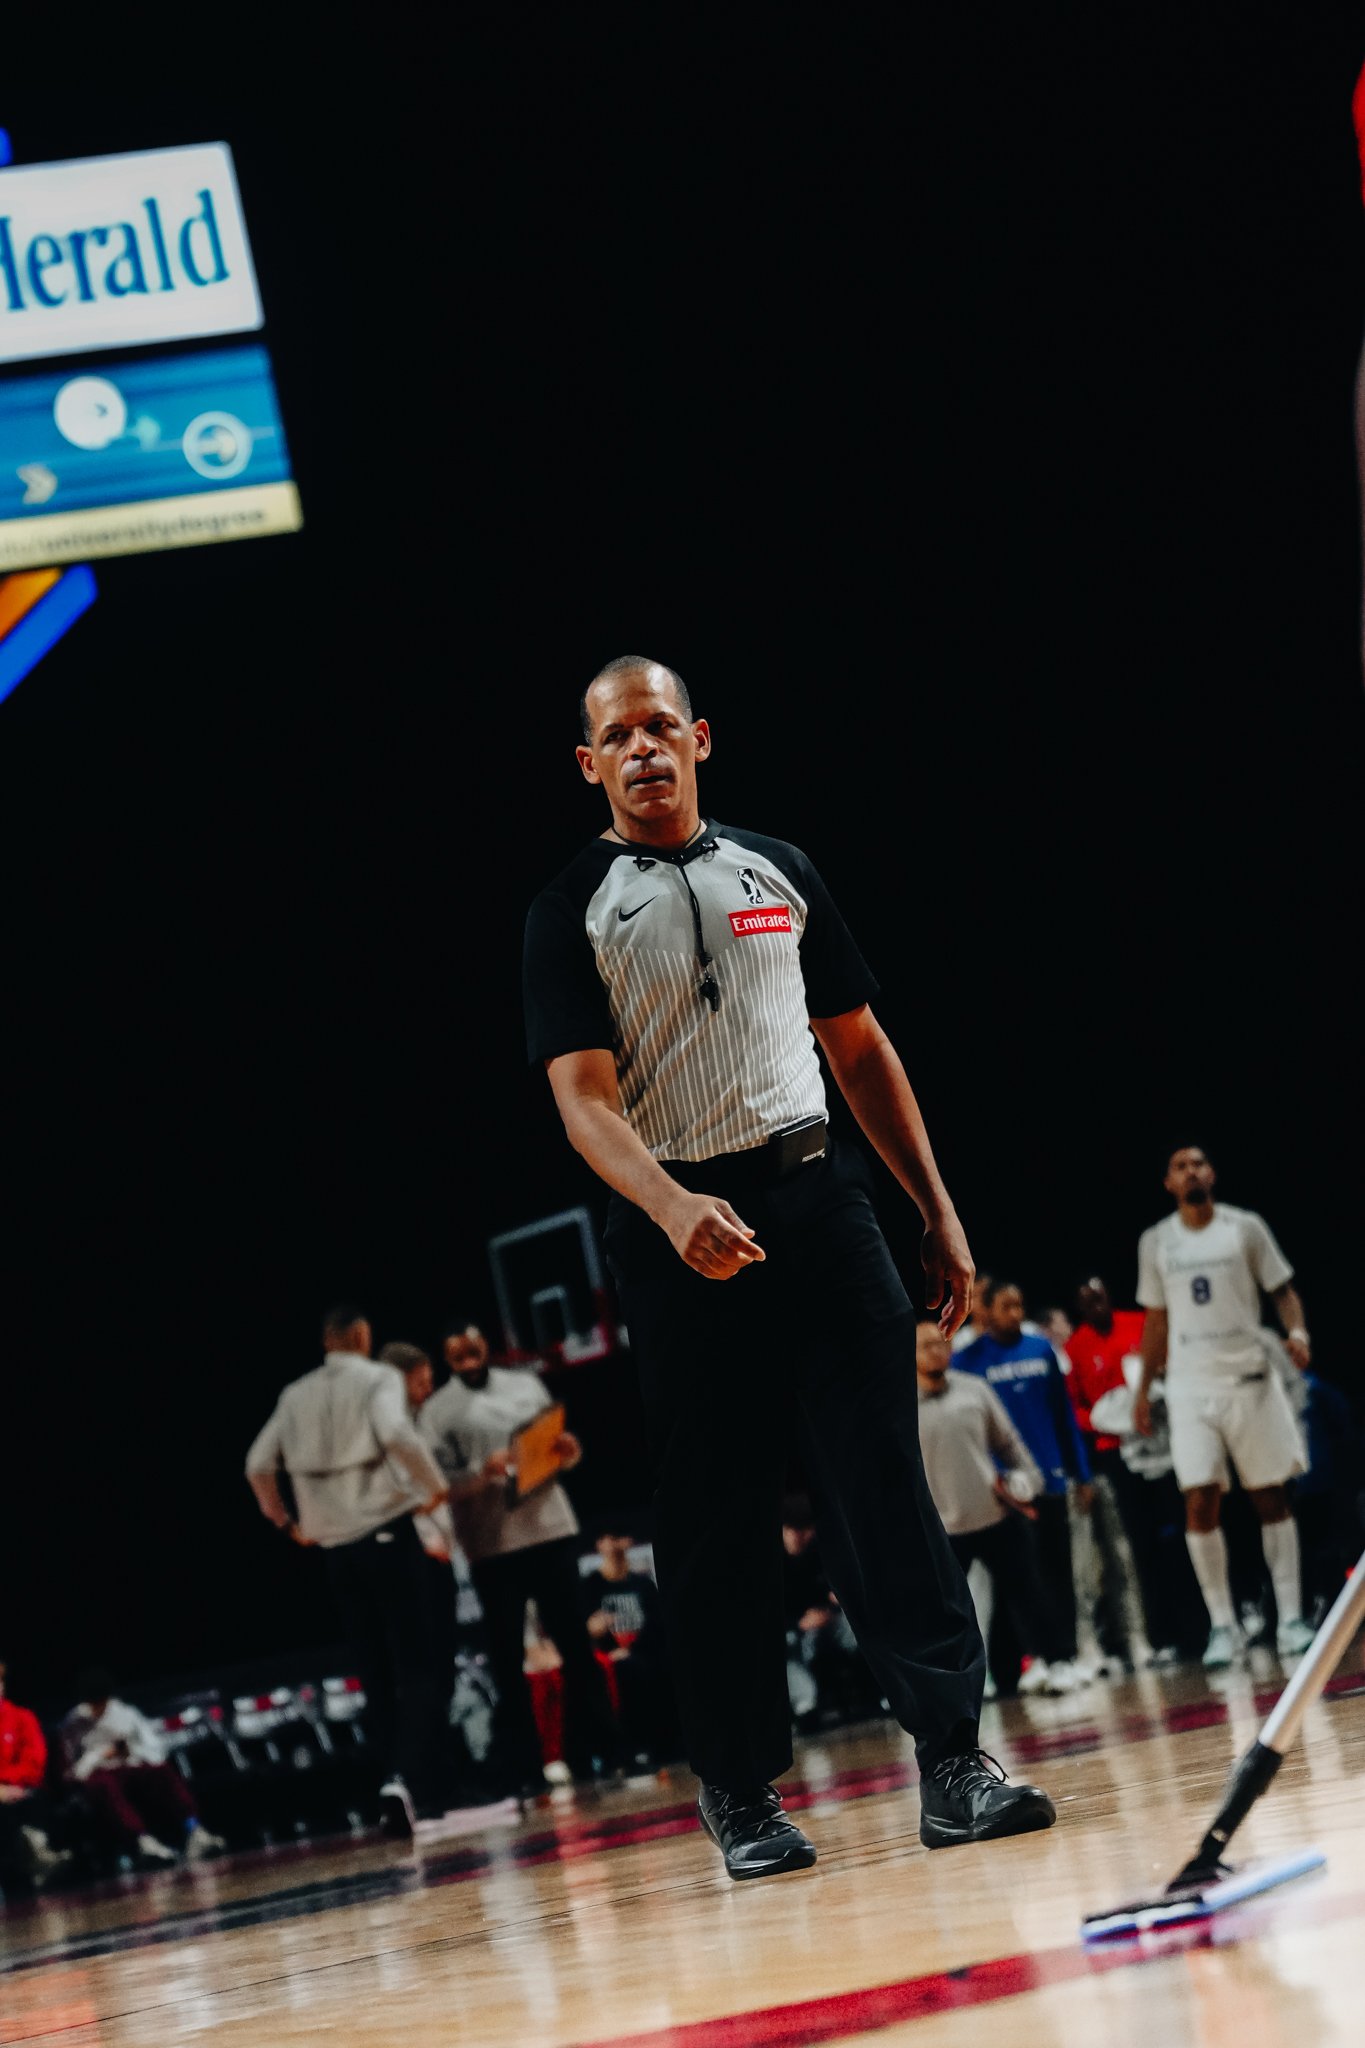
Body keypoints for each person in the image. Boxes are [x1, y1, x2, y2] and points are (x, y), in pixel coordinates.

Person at [522, 654, 1054, 1880]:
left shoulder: (782, 867)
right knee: (717, 1520)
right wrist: (670, 1206)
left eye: (663, 725)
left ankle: (955, 1762)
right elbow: (583, 1101)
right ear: (590, 762)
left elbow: (862, 1050)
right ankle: (741, 1787)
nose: (646, 747)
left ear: (701, 736)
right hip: (679, 1235)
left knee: (884, 1484)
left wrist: (937, 1207)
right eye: (621, 734)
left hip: (822, 1203)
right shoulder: (569, 906)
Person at [245, 1303, 456, 1833]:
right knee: (421, 1666)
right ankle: (409, 1782)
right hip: (385, 1533)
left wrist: (283, 1522)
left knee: (375, 1673)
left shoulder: (295, 1394)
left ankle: (398, 1784)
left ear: (326, 1341)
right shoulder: (377, 1377)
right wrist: (434, 1490)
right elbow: (398, 1435)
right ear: (361, 1336)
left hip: (335, 1551)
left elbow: (256, 1464)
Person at [419, 1322, 619, 1798]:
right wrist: (479, 1472)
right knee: (509, 1659)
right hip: (493, 1543)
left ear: (485, 1346)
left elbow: (555, 1443)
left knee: (576, 1645)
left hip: (548, 1525)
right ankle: (528, 1766)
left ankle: (606, 1751)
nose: (469, 1361)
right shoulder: (438, 1411)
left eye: (474, 1351)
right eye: (458, 1356)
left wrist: (568, 1453)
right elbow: (438, 1483)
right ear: (448, 1359)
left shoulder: (524, 1385)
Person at [1133, 1146, 1315, 1666]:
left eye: (1199, 1163)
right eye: (1180, 1166)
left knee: (1270, 1498)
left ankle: (1292, 1618)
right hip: (1191, 1385)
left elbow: (1283, 1290)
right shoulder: (1157, 1241)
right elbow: (1156, 1320)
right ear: (1168, 1181)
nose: (1191, 1171)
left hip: (1250, 1378)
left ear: (1212, 1173)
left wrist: (1297, 1331)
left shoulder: (1245, 1227)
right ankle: (1223, 1626)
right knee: (1198, 1500)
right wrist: (1144, 1389)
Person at [913, 1322, 1072, 1698]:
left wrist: (1028, 1482)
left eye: (940, 1343)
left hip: (994, 1512)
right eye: (925, 1346)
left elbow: (1009, 1443)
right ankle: (951, 1682)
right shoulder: (902, 1406)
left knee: (1029, 1593)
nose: (936, 1350)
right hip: (943, 1526)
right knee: (945, 1612)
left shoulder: (975, 1389)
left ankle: (1054, 1662)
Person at [955, 1280, 1093, 1688]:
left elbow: (1064, 1415)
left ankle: (1066, 1655)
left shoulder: (1040, 1350)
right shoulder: (967, 1361)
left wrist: (1079, 1473)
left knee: (1060, 1571)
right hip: (1004, 1490)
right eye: (1005, 1306)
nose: (1015, 1313)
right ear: (988, 1311)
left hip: (1049, 1478)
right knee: (1021, 1579)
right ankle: (1027, 1662)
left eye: (1019, 1305)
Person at [1067, 1277, 1204, 1663]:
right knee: (1140, 1546)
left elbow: (1171, 1364)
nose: (1097, 1306)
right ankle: (1163, 1636)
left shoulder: (1139, 1323)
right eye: (1088, 1302)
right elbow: (1074, 1407)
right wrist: (1105, 1420)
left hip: (1164, 1442)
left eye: (1101, 1297)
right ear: (1080, 1308)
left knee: (1182, 1534)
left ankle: (1201, 1628)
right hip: (1118, 1452)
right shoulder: (1076, 1347)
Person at [60, 1669, 224, 1865]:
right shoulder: (74, 1722)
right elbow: (71, 1763)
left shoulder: (124, 1713)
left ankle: (195, 1831)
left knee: (162, 1772)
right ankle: (143, 1842)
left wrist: (125, 1751)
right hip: (99, 1772)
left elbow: (148, 1745)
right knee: (103, 1786)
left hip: (131, 1765)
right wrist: (97, 1757)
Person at [779, 1497, 884, 1727]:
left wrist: (835, 1600)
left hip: (826, 1622)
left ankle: (873, 1696)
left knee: (856, 1627)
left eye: (806, 1530)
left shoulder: (819, 1551)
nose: (801, 1537)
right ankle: (806, 1707)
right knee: (789, 1647)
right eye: (794, 1530)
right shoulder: (775, 1565)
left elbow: (839, 1588)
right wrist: (799, 1623)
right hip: (794, 1633)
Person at [582, 1524, 682, 1764]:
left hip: (641, 1652)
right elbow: (583, 1628)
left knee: (665, 1665)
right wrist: (593, 1632)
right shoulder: (591, 1585)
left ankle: (673, 1743)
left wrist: (631, 1649)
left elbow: (658, 1625)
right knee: (628, 1671)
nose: (615, 1545)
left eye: (620, 1538)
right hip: (607, 1656)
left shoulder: (642, 1584)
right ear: (599, 1544)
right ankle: (631, 1747)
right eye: (609, 1538)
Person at [0, 1659, 71, 1890]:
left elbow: (34, 1764)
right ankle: (33, 1857)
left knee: (28, 1804)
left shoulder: (23, 1718)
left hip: (25, 1791)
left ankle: (37, 1852)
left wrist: (7, 1785)